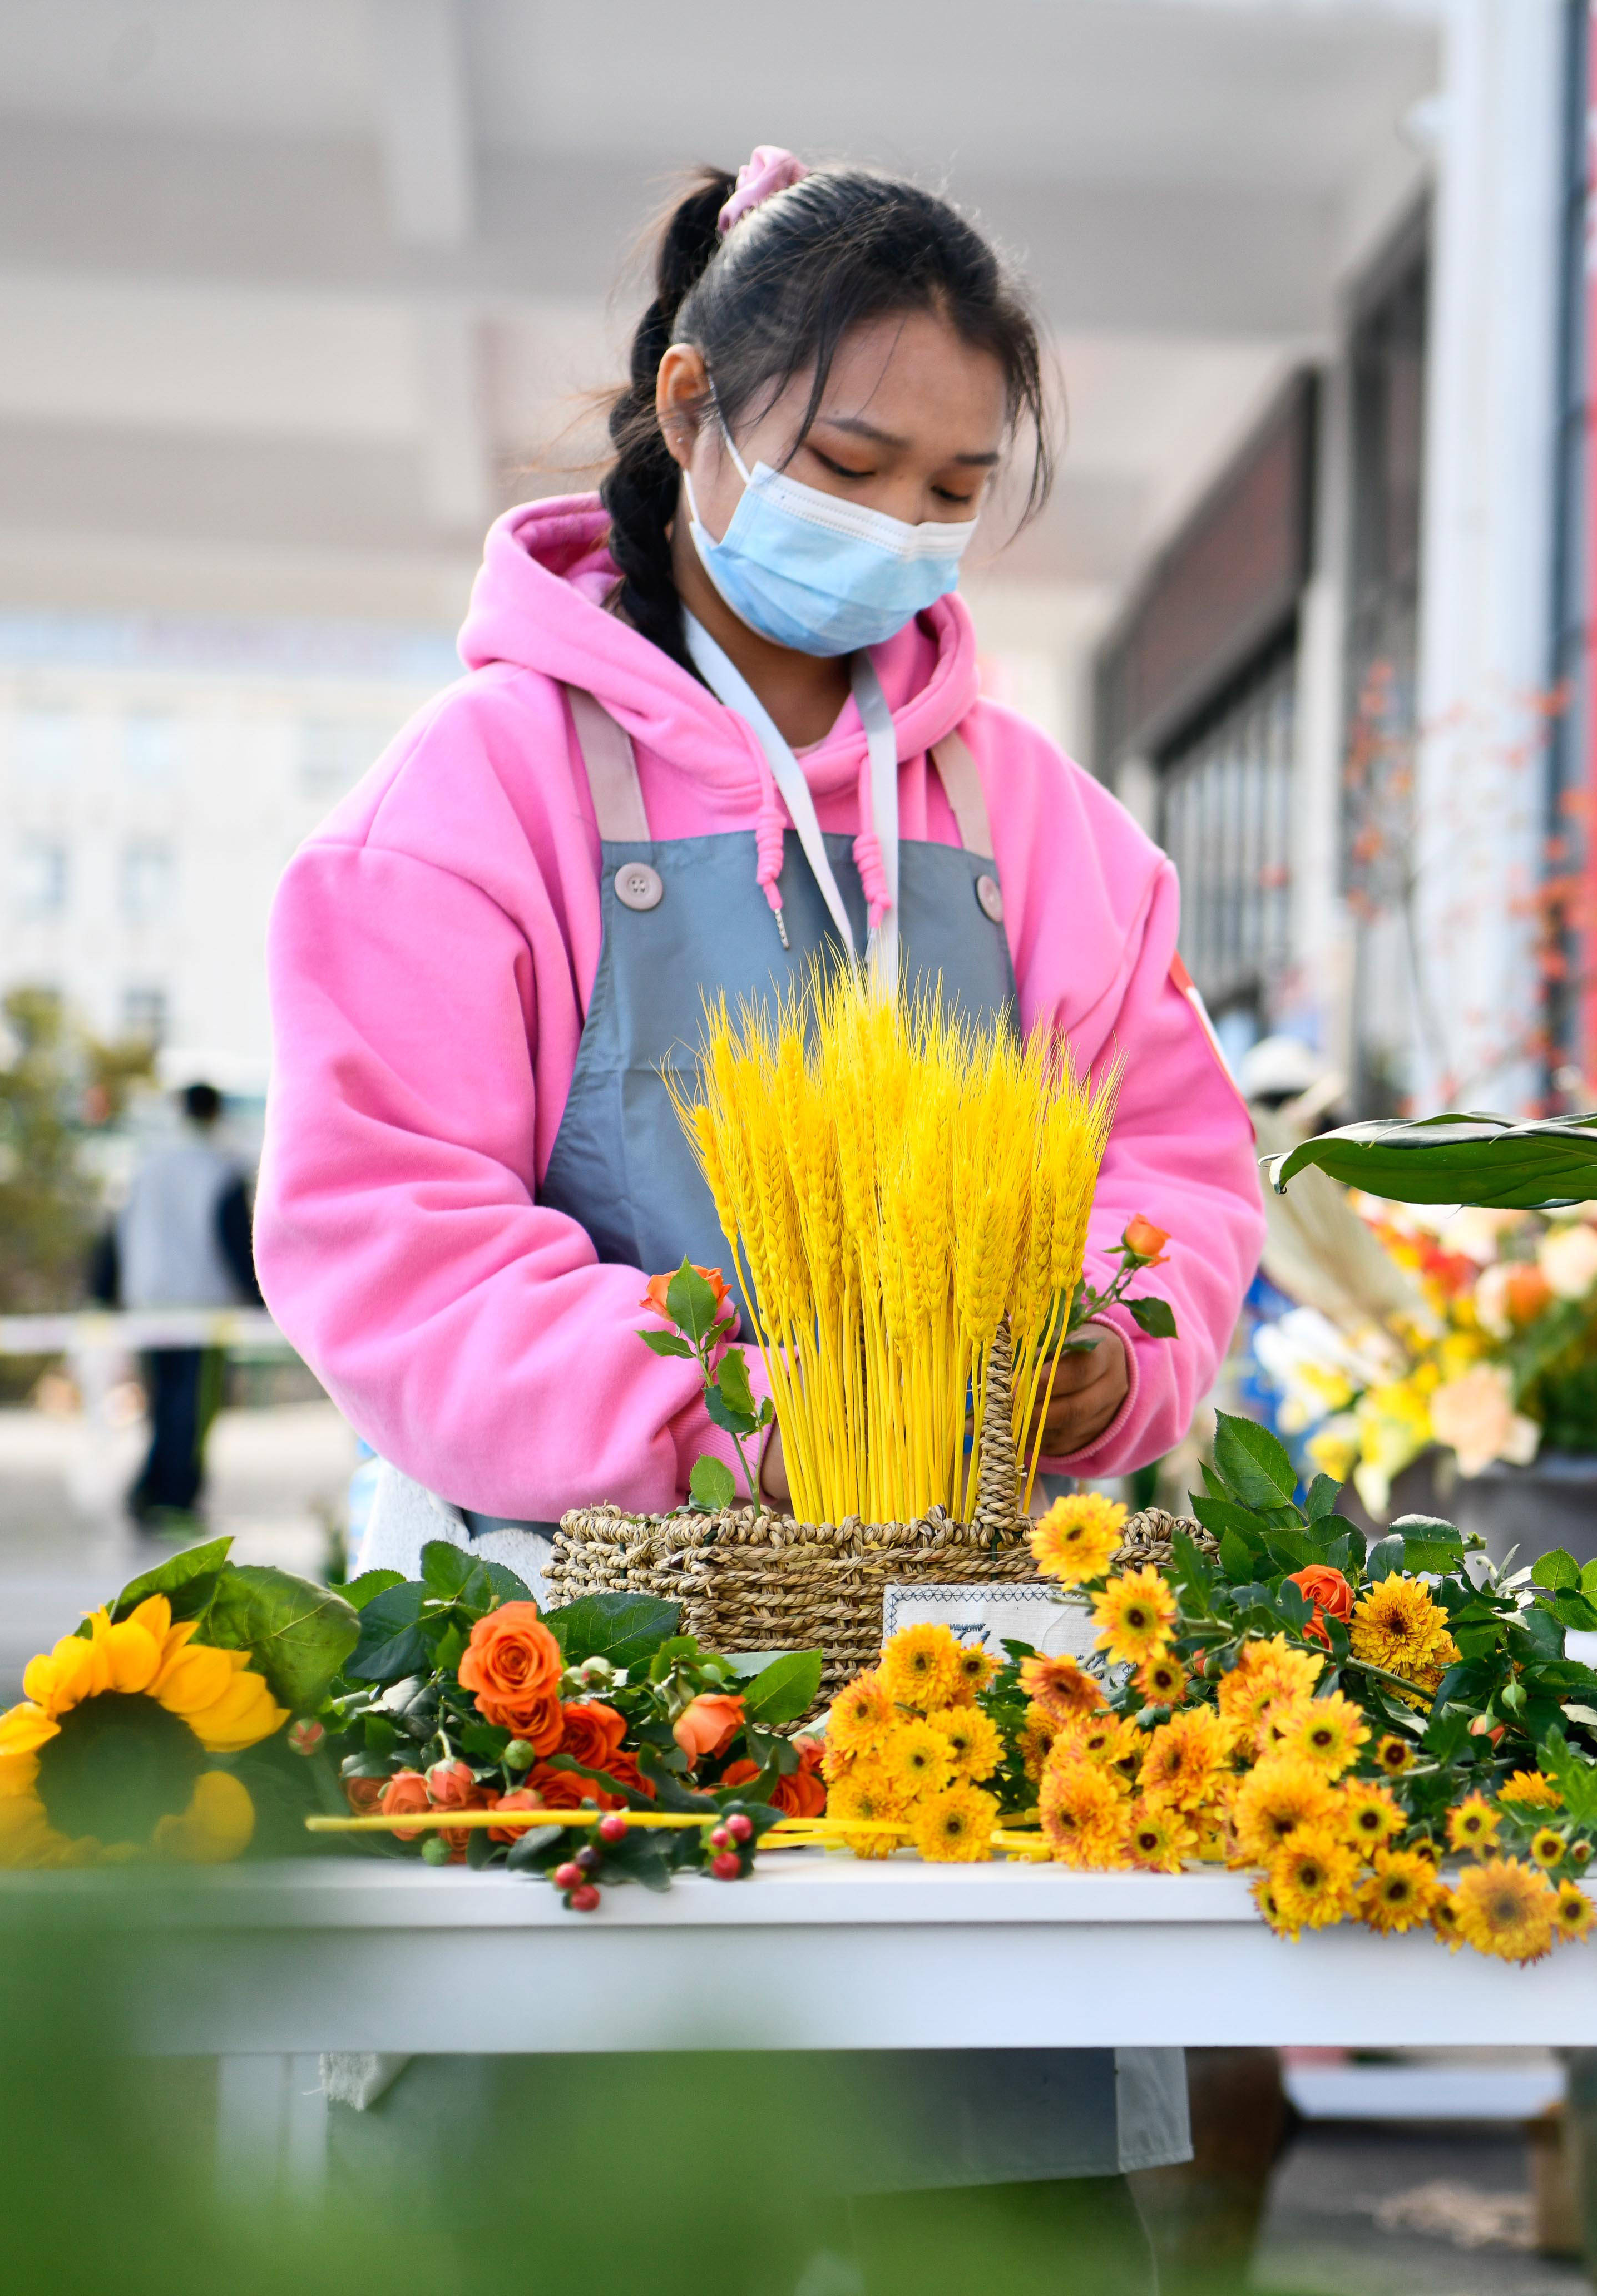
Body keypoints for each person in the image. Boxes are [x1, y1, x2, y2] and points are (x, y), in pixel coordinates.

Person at [255, 149, 1261, 2288]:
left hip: (975, 1725)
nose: (894, 526)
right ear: (693, 406)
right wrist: (742, 1409)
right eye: (849, 458)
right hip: (577, 1698)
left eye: (952, 485)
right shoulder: (476, 795)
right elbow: (387, 1233)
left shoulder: (1039, 826)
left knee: (1001, 2233)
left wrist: (1108, 1348)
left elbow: (1175, 1180)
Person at [106, 1080, 259, 1526]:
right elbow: (237, 1242)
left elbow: (116, 1234)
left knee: (162, 1404)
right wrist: (261, 1301)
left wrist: (104, 1293)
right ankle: (173, 1498)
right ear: (215, 1114)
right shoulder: (219, 1167)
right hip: (200, 1308)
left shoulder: (147, 1164)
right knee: (193, 1408)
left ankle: (150, 1490)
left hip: (148, 1303)